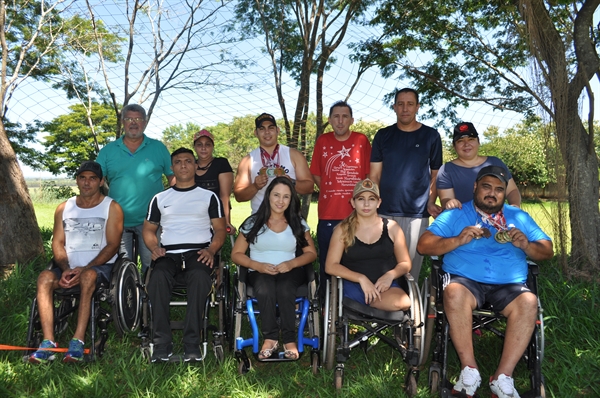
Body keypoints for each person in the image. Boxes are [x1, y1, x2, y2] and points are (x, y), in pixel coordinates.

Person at [417, 165, 553, 398]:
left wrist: (527, 246)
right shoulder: (456, 214)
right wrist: (457, 240)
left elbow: (547, 250)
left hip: (509, 282)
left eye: (499, 189)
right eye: (486, 187)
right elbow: (424, 245)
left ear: (504, 193)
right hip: (465, 280)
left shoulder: (518, 216)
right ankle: (469, 371)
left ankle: (502, 378)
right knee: (454, 292)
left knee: (529, 301)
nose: (492, 193)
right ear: (475, 187)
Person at [29, 161, 124, 364]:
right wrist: (65, 269)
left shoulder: (112, 207)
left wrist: (84, 269)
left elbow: (113, 246)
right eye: (83, 178)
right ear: (77, 180)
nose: (87, 183)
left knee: (88, 276)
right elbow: (57, 242)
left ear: (101, 182)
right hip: (67, 267)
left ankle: (78, 341)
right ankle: (48, 343)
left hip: (99, 268)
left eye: (92, 178)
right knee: (45, 277)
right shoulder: (64, 207)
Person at [142, 148, 226, 362]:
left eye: (188, 161)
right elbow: (149, 230)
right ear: (172, 168)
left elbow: (219, 230)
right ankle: (161, 342)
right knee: (157, 278)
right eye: (178, 162)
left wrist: (211, 250)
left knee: (199, 277)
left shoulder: (209, 197)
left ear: (195, 166)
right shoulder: (160, 198)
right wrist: (154, 249)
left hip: (198, 251)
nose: (183, 165)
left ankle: (192, 342)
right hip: (169, 253)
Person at [231, 177, 317, 360]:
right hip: (258, 270)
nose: (280, 201)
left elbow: (311, 253)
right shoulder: (253, 223)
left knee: (286, 288)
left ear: (291, 199)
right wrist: (257, 266)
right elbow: (236, 254)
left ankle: (289, 339)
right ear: (268, 195)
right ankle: (270, 338)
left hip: (290, 269)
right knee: (264, 288)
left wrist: (291, 264)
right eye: (276, 195)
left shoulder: (297, 223)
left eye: (286, 196)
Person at [369, 88, 443, 283]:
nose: (405, 108)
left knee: (409, 271)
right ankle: (380, 310)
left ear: (417, 107)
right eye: (400, 104)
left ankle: (408, 309)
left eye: (410, 104)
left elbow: (436, 175)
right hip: (384, 211)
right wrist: (373, 205)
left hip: (416, 214)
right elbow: (374, 175)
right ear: (394, 107)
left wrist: (430, 202)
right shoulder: (383, 136)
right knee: (381, 268)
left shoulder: (431, 136)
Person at [96, 104, 174, 274]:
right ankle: (129, 299)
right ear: (122, 122)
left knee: (152, 264)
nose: (134, 123)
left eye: (138, 119)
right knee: (123, 268)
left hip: (151, 221)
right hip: (118, 221)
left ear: (145, 123)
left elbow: (173, 178)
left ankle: (150, 299)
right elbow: (95, 180)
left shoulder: (158, 148)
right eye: (129, 119)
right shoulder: (108, 151)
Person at [310, 101, 372, 299]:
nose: (340, 120)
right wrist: (332, 189)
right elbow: (317, 175)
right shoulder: (323, 140)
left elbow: (368, 176)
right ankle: (326, 305)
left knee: (356, 263)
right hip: (329, 214)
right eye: (336, 116)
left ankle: (356, 303)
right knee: (328, 264)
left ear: (352, 120)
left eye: (345, 116)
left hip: (357, 216)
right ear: (329, 120)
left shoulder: (361, 141)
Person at [326, 179, 411, 311]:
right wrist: (361, 278)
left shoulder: (392, 228)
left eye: (371, 199)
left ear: (379, 203)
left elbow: (405, 262)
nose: (366, 204)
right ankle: (367, 303)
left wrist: (390, 275)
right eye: (361, 199)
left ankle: (370, 302)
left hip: (384, 287)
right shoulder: (342, 229)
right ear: (353, 203)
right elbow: (331, 266)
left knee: (403, 302)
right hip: (354, 287)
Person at [233, 113, 314, 213]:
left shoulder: (294, 155)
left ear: (277, 130)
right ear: (256, 133)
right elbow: (238, 196)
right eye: (262, 129)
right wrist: (255, 186)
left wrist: (291, 182)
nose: (267, 132)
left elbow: (309, 187)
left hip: (289, 218)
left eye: (271, 128)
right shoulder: (247, 160)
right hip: (260, 219)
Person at [437, 122, 521, 210]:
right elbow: (446, 199)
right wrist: (449, 202)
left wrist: (515, 207)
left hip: (496, 220)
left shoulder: (495, 163)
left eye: (471, 139)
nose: (466, 144)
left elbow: (512, 190)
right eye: (460, 141)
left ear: (478, 142)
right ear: (454, 146)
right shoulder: (446, 169)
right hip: (463, 220)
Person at [192, 129, 235, 233]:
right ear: (194, 147)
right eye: (199, 145)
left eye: (207, 144)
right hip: (194, 217)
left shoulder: (221, 163)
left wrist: (226, 221)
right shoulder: (190, 165)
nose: (203, 148)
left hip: (215, 217)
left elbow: (224, 196)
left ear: (212, 146)